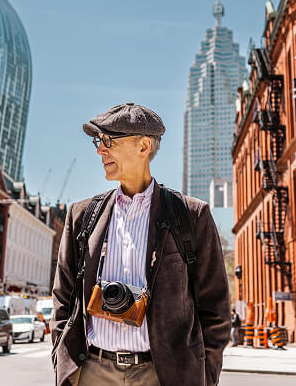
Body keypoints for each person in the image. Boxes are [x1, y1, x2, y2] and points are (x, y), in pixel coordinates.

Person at [51, 103, 231, 386]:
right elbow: (63, 299)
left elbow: (215, 309)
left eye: (109, 141)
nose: (100, 150)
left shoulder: (192, 215)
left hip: (163, 376)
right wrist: (62, 362)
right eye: (99, 142)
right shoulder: (81, 215)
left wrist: (205, 378)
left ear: (143, 146)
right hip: (92, 373)